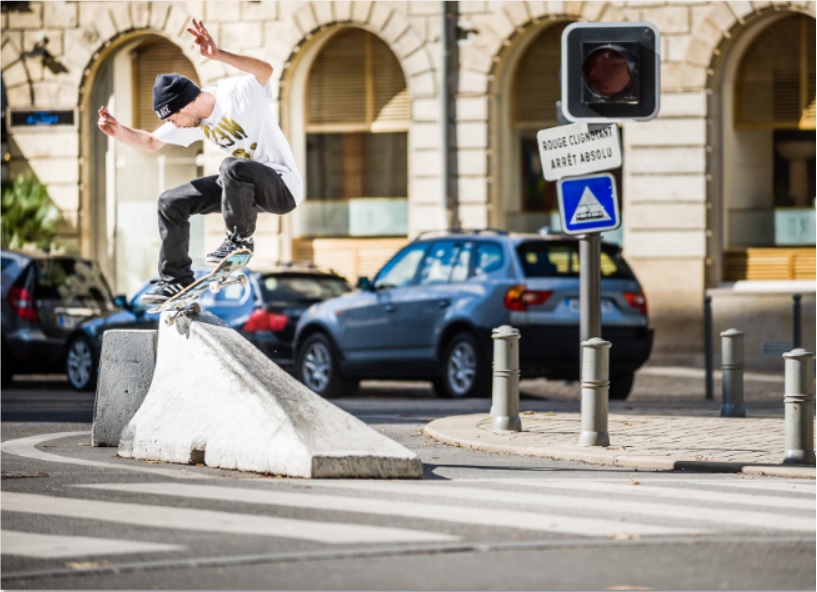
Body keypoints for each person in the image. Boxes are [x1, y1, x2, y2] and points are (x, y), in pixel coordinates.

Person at [97, 18, 303, 304]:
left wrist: (218, 54)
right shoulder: (193, 120)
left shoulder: (236, 93)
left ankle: (240, 240)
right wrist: (118, 132)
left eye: (173, 118)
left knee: (232, 167)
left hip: (282, 187)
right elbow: (151, 143)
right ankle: (176, 281)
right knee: (171, 202)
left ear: (185, 103)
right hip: (242, 189)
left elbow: (266, 70)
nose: (176, 126)